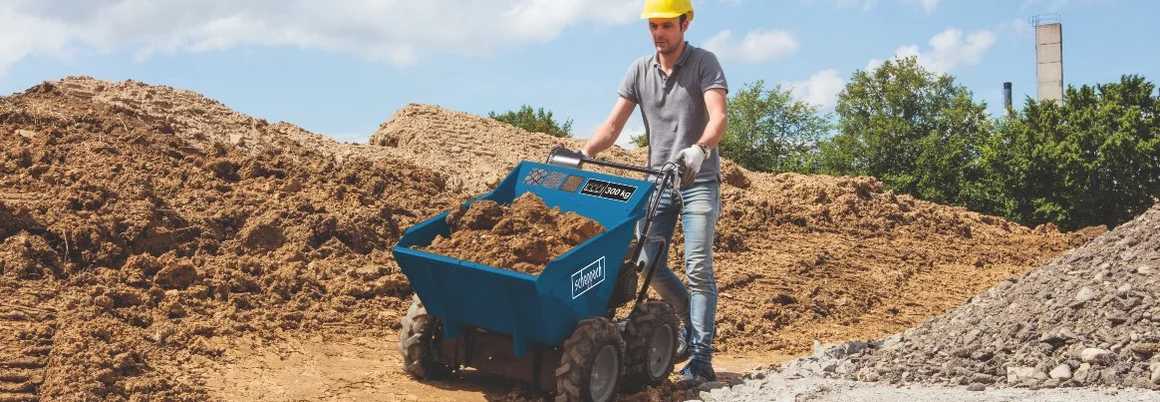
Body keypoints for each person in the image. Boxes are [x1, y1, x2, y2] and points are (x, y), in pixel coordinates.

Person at [576, 0, 728, 387]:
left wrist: (700, 149)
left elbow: (719, 117)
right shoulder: (639, 70)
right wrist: (585, 153)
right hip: (659, 179)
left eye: (666, 26)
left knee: (698, 267)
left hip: (698, 179)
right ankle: (687, 320)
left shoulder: (704, 63)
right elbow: (613, 126)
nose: (658, 33)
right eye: (653, 26)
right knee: (645, 265)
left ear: (685, 24)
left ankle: (701, 359)